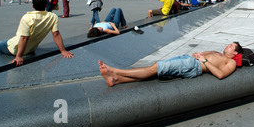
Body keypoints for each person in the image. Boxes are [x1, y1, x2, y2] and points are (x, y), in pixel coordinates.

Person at [98, 42, 243, 87]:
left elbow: (220, 74)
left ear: (235, 53)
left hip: (193, 66)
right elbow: (200, 54)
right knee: (155, 71)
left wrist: (204, 61)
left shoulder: (230, 62)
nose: (227, 45)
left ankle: (114, 71)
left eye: (231, 46)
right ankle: (116, 79)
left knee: (154, 68)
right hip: (188, 60)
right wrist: (199, 55)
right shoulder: (217, 52)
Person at [0, 0, 73, 66]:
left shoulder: (27, 17)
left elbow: (24, 38)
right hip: (31, 49)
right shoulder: (53, 16)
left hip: (15, 49)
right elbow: (56, 34)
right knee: (8, 40)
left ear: (33, 6)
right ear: (46, 5)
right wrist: (63, 51)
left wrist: (19, 56)